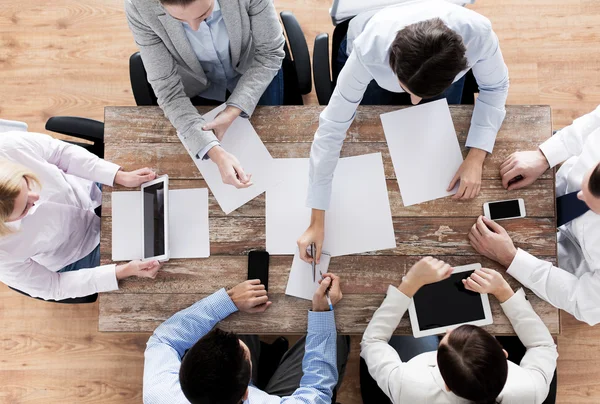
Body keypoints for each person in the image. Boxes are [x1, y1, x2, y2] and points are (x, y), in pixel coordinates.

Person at [298, 0, 509, 264]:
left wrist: (477, 156)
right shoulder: (370, 48)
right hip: (372, 56)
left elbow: (496, 88)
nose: (414, 102)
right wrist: (317, 219)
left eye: (421, 95)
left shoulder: (478, 33)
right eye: (409, 90)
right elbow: (332, 127)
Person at [125, 0, 285, 189]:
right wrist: (216, 153)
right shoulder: (139, 7)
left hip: (253, 70)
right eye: (179, 20)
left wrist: (232, 110)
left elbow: (270, 53)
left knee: (274, 145)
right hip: (196, 83)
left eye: (204, 15)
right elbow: (168, 91)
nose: (193, 28)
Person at [360, 256, 558, 404]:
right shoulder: (530, 391)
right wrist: (503, 292)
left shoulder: (408, 386)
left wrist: (410, 283)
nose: (449, 330)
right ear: (504, 353)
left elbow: (372, 342)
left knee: (412, 334)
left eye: (445, 337)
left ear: (446, 384)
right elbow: (543, 346)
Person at [469, 105, 600, 325]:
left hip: (566, 263)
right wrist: (545, 156)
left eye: (594, 206)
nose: (579, 196)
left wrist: (511, 258)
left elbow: (583, 302)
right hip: (552, 183)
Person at [0, 130, 161, 301]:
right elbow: (54, 286)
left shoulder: (9, 147)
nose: (37, 198)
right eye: (25, 208)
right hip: (77, 251)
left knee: (162, 200)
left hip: (88, 190)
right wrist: (124, 271)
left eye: (27, 183)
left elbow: (60, 153)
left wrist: (117, 175)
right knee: (160, 259)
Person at [143, 274, 349, 404]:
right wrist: (322, 313)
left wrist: (229, 300)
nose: (238, 342)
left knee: (236, 320)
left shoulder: (161, 393)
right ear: (245, 394)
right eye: (245, 355)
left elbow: (164, 340)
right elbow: (318, 392)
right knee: (337, 340)